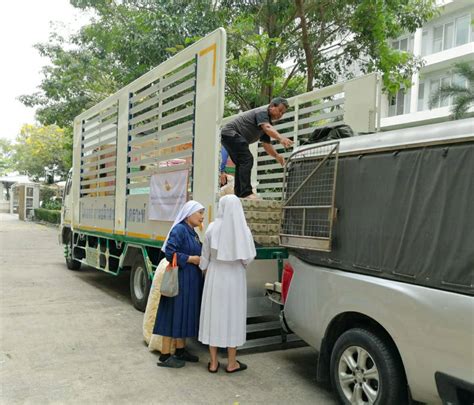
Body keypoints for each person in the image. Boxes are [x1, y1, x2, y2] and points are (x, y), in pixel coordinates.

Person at [198, 195, 256, 373]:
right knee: (234, 316)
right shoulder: (244, 230)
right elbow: (249, 257)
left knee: (214, 316)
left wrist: (207, 270)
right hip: (235, 277)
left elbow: (204, 257)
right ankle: (231, 363)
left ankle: (214, 362)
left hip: (215, 275)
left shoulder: (212, 228)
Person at [153, 200, 205, 368]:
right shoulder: (179, 230)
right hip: (179, 279)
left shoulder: (193, 232)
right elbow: (170, 253)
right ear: (189, 214)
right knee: (172, 313)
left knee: (183, 313)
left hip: (190, 280)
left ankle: (181, 350)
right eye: (200, 213)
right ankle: (165, 354)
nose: (202, 217)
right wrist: (191, 259)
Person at [220, 97, 294, 199]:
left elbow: (266, 144)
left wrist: (277, 156)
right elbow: (267, 128)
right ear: (272, 106)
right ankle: (245, 193)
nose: (281, 114)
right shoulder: (262, 113)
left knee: (242, 162)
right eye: (280, 110)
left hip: (229, 136)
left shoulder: (265, 123)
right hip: (231, 133)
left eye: (283, 113)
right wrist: (281, 138)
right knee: (247, 159)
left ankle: (239, 194)